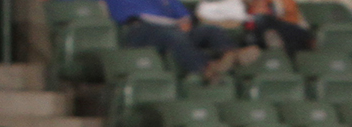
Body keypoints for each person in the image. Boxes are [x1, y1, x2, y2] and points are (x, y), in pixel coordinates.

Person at [104, 0, 257, 76]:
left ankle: (231, 54)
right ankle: (206, 68)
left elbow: (183, 15)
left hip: (172, 26)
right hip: (141, 28)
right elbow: (119, 14)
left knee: (210, 30)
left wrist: (185, 21)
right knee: (173, 37)